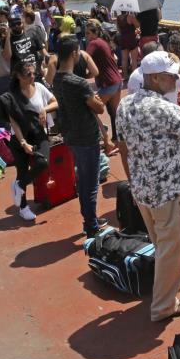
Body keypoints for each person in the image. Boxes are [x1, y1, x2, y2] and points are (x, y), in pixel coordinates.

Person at [115, 51, 180, 321]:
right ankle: (164, 306)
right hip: (167, 191)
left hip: (144, 187)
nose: (177, 79)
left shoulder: (126, 104)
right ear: (155, 78)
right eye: (172, 76)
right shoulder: (162, 108)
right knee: (172, 248)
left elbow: (123, 145)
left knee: (162, 244)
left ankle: (172, 279)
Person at [52, 35, 107, 238]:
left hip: (71, 135)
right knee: (90, 183)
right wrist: (98, 101)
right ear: (75, 53)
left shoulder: (56, 79)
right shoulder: (79, 83)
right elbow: (99, 109)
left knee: (82, 179)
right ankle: (91, 224)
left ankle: (90, 219)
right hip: (87, 135)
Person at [1, 61, 58, 222]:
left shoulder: (39, 87)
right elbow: (14, 123)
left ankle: (19, 185)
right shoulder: (11, 96)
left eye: (34, 73)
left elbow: (55, 101)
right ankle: (23, 207)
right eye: (28, 74)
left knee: (43, 162)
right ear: (18, 76)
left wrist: (44, 109)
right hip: (20, 138)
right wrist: (23, 143)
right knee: (22, 169)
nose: (33, 77)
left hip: (39, 133)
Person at [85, 19, 122, 151]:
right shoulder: (104, 42)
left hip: (108, 84)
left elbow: (84, 58)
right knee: (114, 112)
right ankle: (118, 140)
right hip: (117, 81)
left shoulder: (93, 43)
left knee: (90, 110)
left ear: (95, 33)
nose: (86, 36)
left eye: (88, 33)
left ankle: (106, 139)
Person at [116, 11, 139, 79]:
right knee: (134, 59)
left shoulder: (118, 18)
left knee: (124, 59)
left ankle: (125, 76)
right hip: (131, 39)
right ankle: (134, 77)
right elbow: (138, 25)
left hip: (123, 39)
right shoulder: (130, 16)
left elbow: (118, 29)